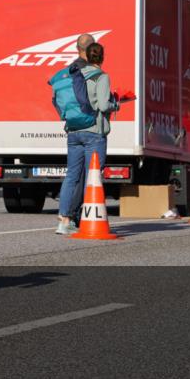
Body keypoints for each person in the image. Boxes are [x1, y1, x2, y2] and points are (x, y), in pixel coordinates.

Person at [56, 41, 119, 235]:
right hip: (93, 132)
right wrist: (115, 104)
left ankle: (64, 220)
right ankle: (87, 218)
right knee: (93, 176)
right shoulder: (101, 76)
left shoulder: (75, 74)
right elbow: (102, 104)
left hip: (74, 131)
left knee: (72, 175)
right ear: (101, 57)